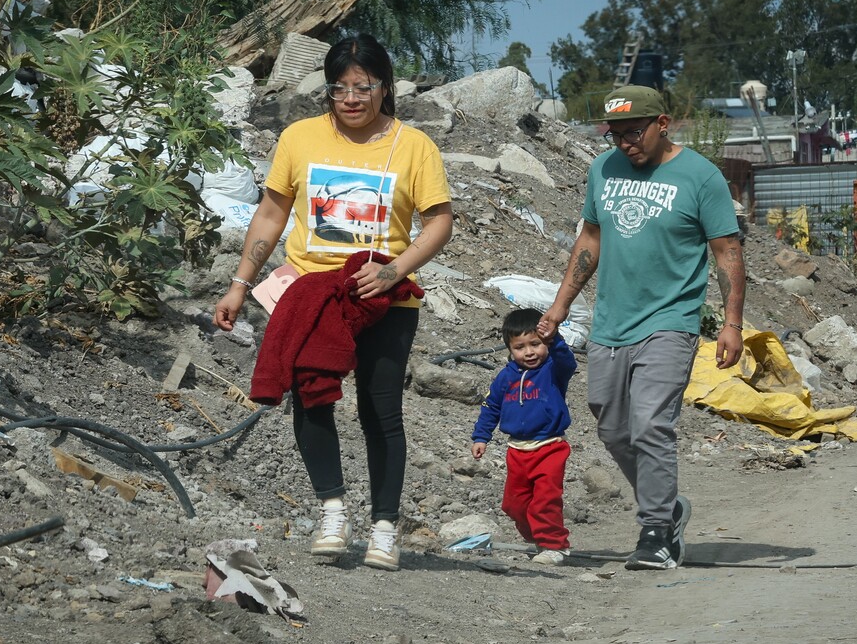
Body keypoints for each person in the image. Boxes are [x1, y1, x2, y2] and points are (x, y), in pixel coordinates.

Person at [215, 34, 453, 572]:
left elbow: (439, 221)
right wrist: (240, 283)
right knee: (311, 396)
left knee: (380, 408)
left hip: (384, 299)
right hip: (312, 295)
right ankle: (332, 512)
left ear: (384, 88)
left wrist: (393, 271)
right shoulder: (299, 138)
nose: (350, 99)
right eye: (339, 88)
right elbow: (271, 214)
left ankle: (385, 528)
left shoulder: (414, 146)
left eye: (362, 87)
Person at [539, 84, 745, 571]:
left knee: (651, 422)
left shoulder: (700, 176)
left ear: (662, 124)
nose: (625, 143)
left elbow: (727, 252)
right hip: (611, 320)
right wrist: (560, 306)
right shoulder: (603, 169)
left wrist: (732, 323)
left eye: (634, 132)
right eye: (616, 135)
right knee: (612, 427)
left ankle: (655, 532)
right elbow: (590, 239)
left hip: (671, 319)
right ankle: (668, 508)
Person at [471, 309, 577, 566]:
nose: (529, 352)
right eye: (520, 347)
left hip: (550, 447)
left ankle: (554, 545)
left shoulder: (553, 370)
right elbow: (491, 407)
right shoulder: (505, 377)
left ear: (546, 343)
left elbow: (568, 362)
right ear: (509, 348)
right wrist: (481, 437)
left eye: (536, 344)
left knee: (545, 499)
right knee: (513, 504)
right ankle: (539, 537)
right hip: (517, 450)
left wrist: (555, 339)